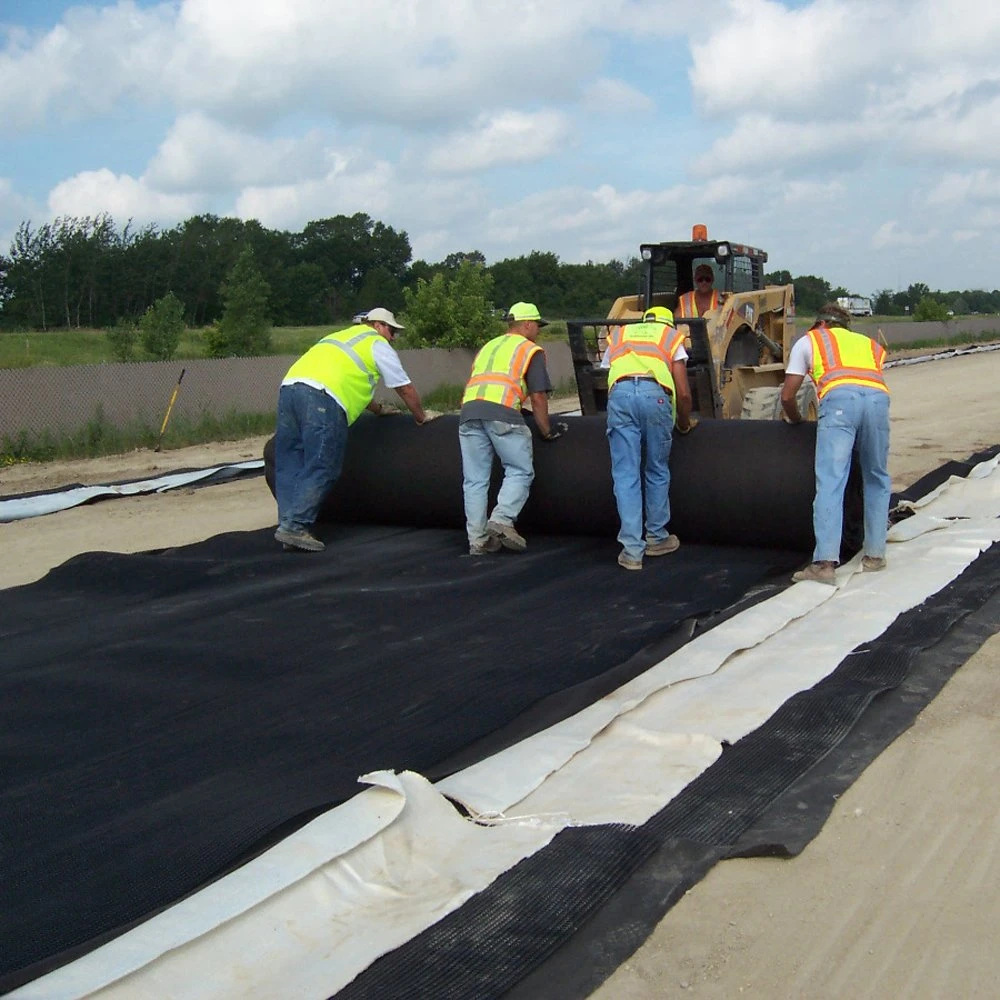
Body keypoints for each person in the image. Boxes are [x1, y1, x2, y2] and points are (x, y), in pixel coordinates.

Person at [273, 307, 429, 553]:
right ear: (378, 325)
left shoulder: (338, 338)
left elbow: (344, 378)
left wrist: (378, 410)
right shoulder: (376, 343)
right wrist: (421, 417)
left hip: (290, 390)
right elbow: (404, 387)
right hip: (321, 400)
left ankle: (287, 525)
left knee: (291, 461)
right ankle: (296, 526)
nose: (393, 337)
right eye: (391, 330)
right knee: (323, 463)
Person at [781, 302, 891, 585]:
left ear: (820, 324)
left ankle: (824, 564)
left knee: (831, 479)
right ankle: (875, 555)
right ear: (845, 326)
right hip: (878, 401)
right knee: (876, 476)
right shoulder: (868, 344)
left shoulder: (810, 341)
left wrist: (795, 421)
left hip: (841, 402)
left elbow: (787, 396)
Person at [458, 301, 566, 555]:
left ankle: (478, 541)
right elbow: (538, 396)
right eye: (537, 326)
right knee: (519, 471)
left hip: (469, 412)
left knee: (474, 481)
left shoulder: (489, 346)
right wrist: (546, 430)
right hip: (502, 412)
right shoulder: (530, 350)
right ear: (527, 324)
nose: (538, 330)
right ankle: (503, 518)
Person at [603, 305, 694, 570]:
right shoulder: (669, 336)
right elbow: (684, 393)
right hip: (654, 395)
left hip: (619, 395)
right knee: (655, 468)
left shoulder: (620, 335)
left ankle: (631, 551)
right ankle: (656, 537)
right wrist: (684, 423)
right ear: (668, 323)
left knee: (625, 473)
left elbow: (608, 370)